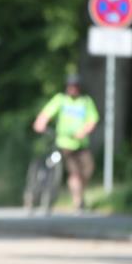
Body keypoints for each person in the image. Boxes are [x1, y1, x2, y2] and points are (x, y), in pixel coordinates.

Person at [32, 74, 99, 211]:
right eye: (70, 86)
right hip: (64, 144)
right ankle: (77, 201)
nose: (72, 89)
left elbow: (93, 120)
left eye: (74, 86)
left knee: (87, 171)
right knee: (74, 173)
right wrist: (40, 123)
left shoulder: (86, 102)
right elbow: (46, 113)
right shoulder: (61, 100)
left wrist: (84, 131)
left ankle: (80, 194)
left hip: (81, 144)